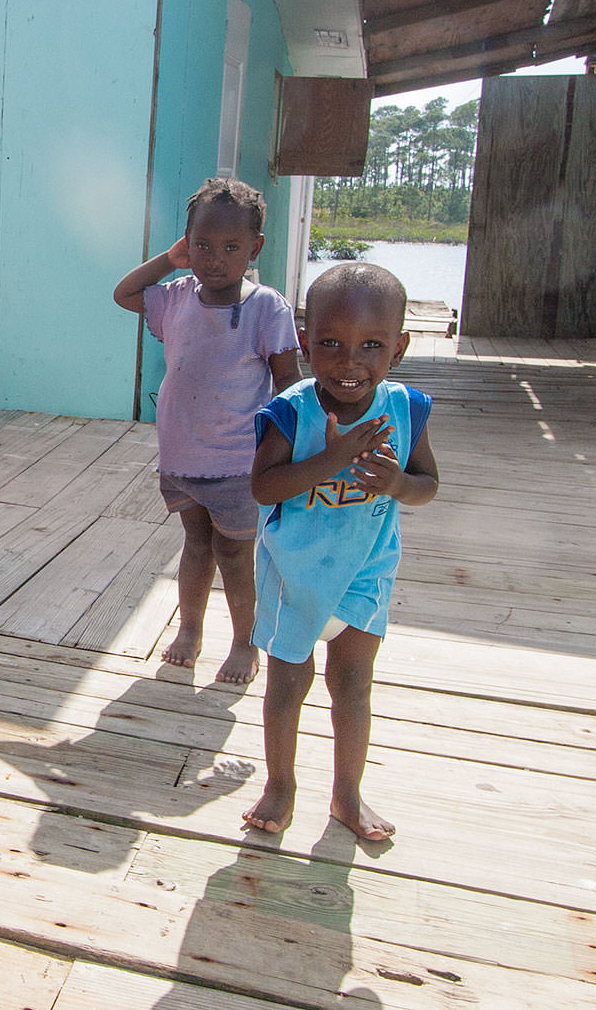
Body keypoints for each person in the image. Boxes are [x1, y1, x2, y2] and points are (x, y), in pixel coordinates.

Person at [240, 262, 439, 841]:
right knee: (288, 684)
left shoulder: (406, 410)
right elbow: (263, 487)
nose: (350, 363)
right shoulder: (292, 410)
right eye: (330, 343)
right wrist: (333, 458)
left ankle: (347, 796)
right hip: (292, 575)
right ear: (304, 341)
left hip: (365, 572)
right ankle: (281, 786)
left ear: (399, 347)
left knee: (352, 684)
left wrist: (396, 483)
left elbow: (428, 485)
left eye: (371, 345)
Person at [114, 178, 301, 684]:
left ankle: (245, 642)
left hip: (239, 465)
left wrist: (290, 457)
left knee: (236, 555)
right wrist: (168, 260)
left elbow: (289, 386)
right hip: (180, 460)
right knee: (196, 545)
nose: (214, 258)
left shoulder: (267, 308)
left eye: (231, 248)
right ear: (187, 243)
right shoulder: (175, 298)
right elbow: (124, 292)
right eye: (202, 245)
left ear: (255, 248)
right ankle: (190, 631)